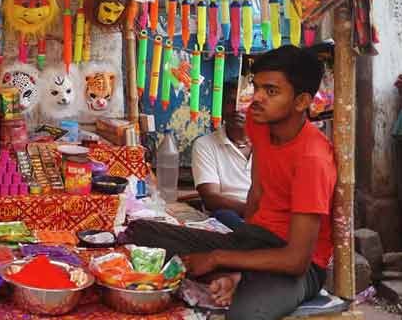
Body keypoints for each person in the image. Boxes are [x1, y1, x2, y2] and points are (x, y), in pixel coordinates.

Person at [126, 45, 335, 320]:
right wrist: (238, 246)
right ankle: (239, 276)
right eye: (256, 87)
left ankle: (238, 277)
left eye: (271, 91)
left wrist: (217, 257)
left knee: (247, 315)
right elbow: (257, 192)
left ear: (301, 101)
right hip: (255, 240)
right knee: (140, 231)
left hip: (298, 264)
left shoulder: (313, 158)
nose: (256, 98)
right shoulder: (259, 123)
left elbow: (296, 260)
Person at [191, 80, 252, 230]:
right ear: (221, 106)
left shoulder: (271, 144)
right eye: (231, 102)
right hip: (229, 218)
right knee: (225, 215)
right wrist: (252, 211)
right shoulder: (205, 145)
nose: (237, 109)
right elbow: (211, 199)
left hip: (265, 216)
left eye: (244, 102)